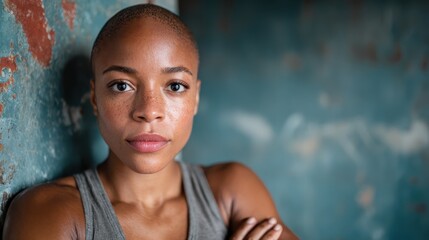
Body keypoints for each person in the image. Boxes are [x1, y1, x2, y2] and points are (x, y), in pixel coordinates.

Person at [3, 4, 298, 240]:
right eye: (121, 85)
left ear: (195, 98)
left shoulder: (232, 191)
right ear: (94, 98)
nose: (149, 110)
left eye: (175, 86)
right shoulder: (51, 213)